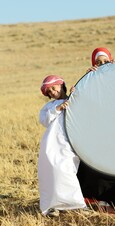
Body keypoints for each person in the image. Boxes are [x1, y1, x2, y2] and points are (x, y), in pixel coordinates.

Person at [76, 47, 115, 212]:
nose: (102, 64)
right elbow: (80, 100)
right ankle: (93, 200)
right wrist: (88, 77)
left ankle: (112, 200)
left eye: (106, 61)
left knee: (114, 161)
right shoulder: (90, 79)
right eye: (99, 62)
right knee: (94, 163)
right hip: (96, 127)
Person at [38, 75, 87, 217]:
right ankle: (53, 206)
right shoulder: (49, 106)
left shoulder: (73, 98)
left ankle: (75, 204)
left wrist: (76, 95)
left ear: (62, 85)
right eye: (49, 92)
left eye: (54, 88)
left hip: (69, 142)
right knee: (51, 173)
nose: (53, 92)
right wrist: (58, 108)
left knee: (66, 170)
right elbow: (44, 120)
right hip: (51, 144)